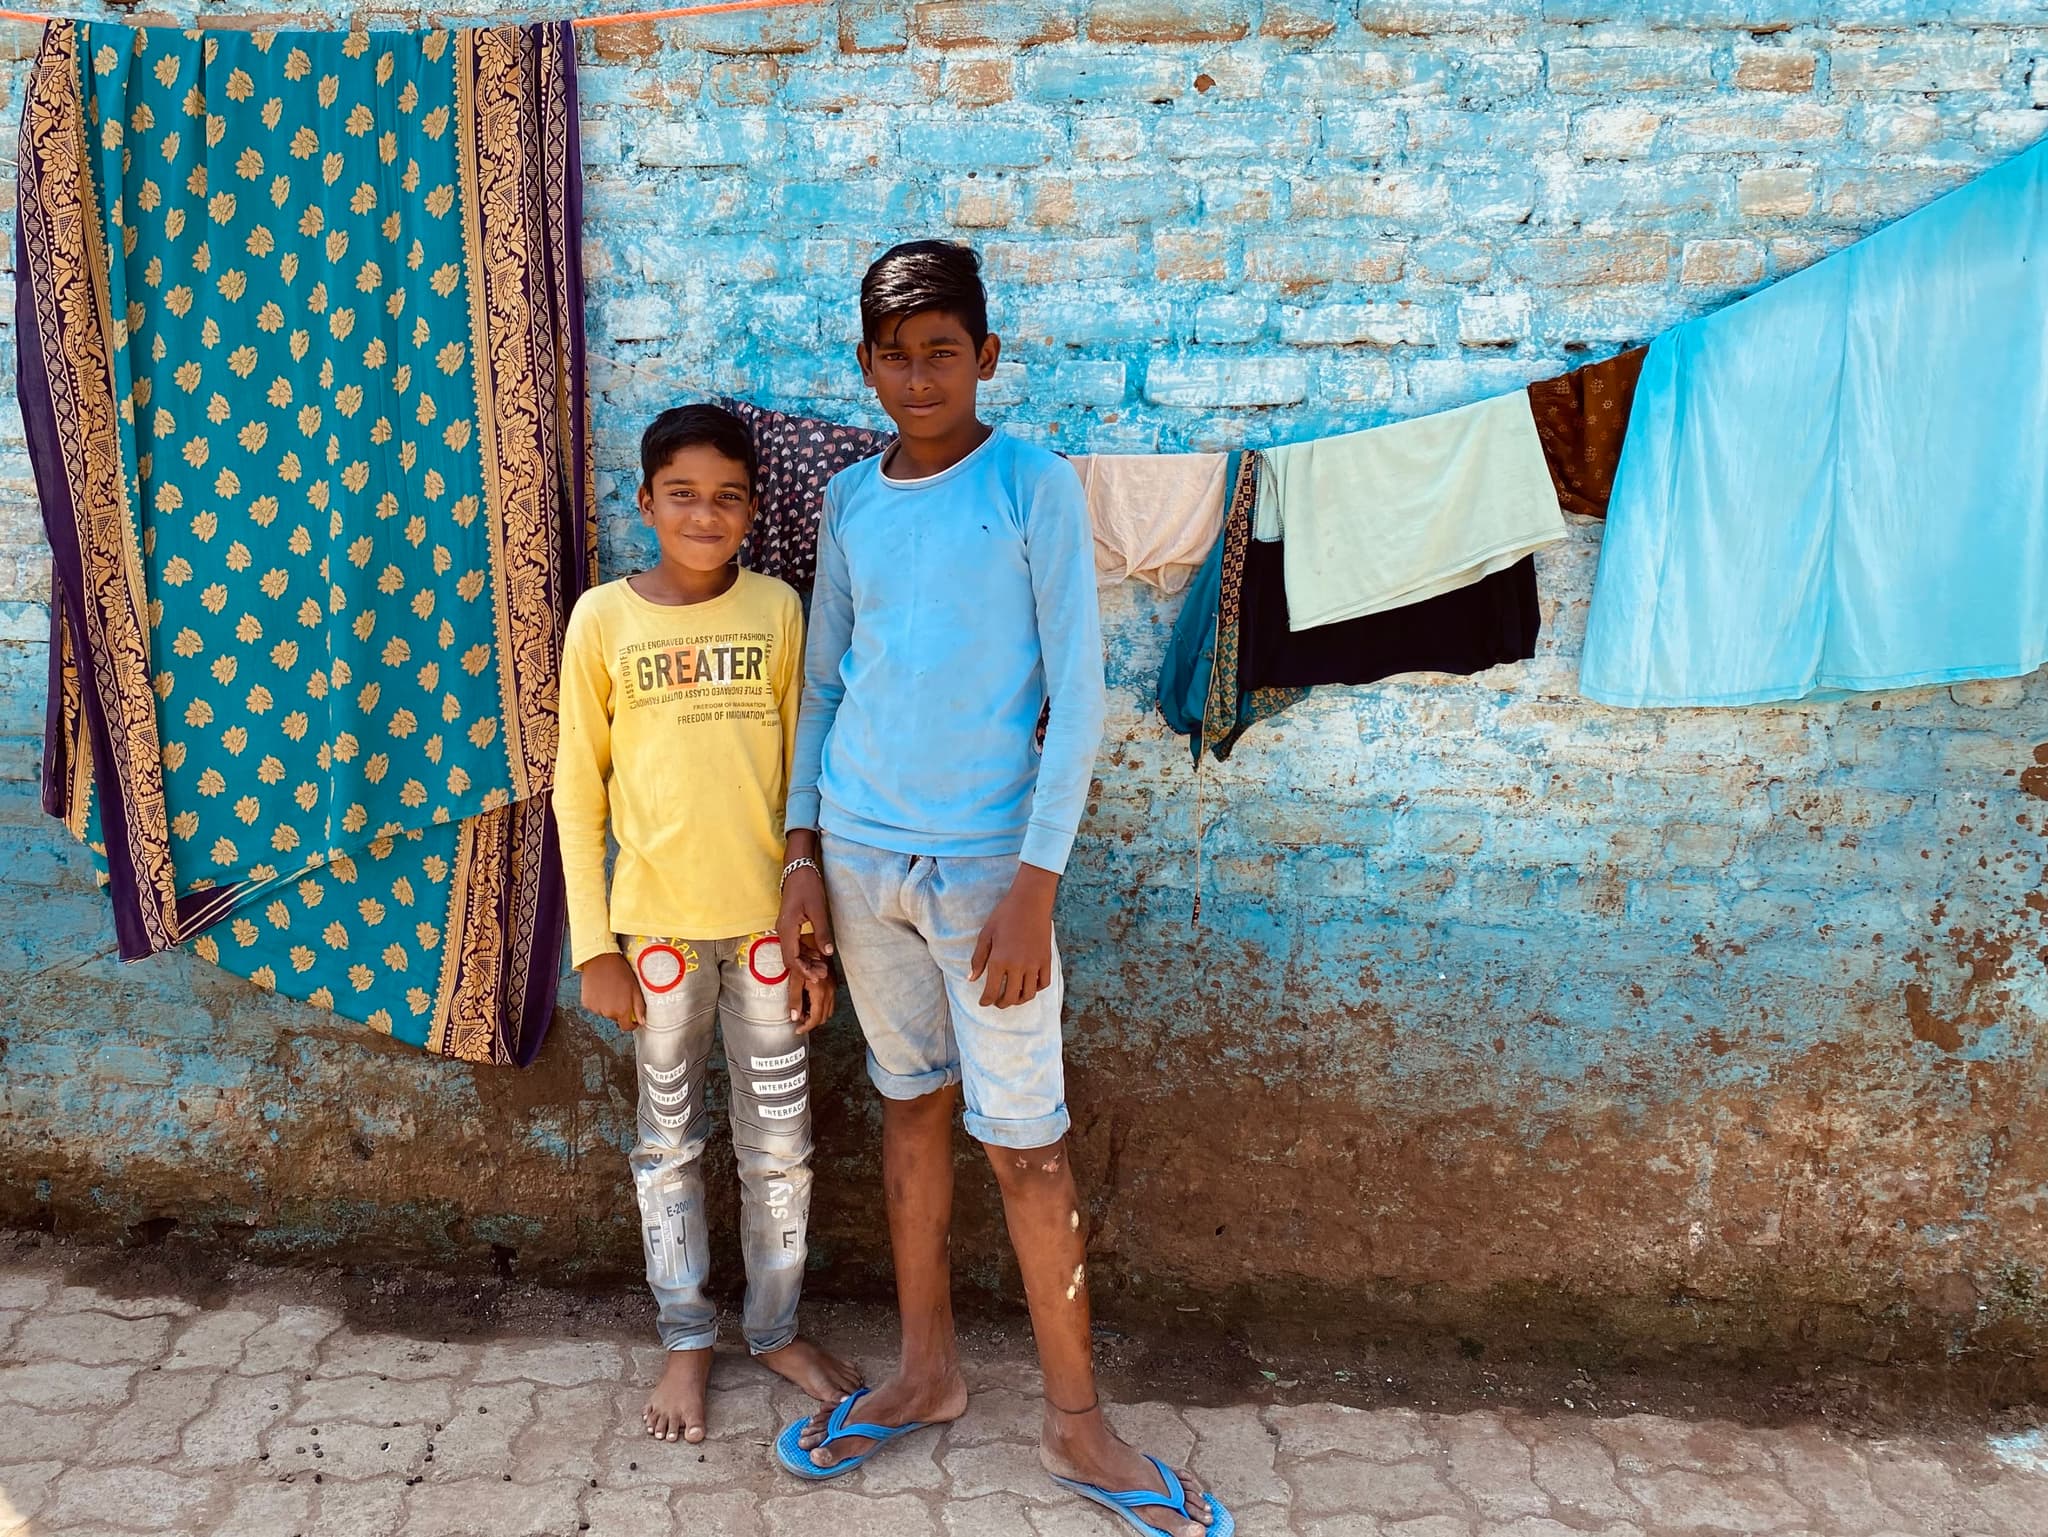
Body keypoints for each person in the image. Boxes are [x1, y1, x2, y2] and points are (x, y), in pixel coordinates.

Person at [772, 242, 1228, 1537]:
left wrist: (1036, 882)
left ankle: (1079, 1426)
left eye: (942, 350)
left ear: (987, 355)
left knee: (1026, 1144)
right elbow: (823, 684)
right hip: (863, 859)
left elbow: (1077, 699)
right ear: (863, 365)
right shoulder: (853, 502)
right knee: (911, 1110)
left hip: (988, 876)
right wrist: (802, 853)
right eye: (893, 354)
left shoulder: (1032, 486)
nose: (918, 376)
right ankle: (926, 1374)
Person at [554, 404, 861, 1445]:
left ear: (752, 512)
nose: (704, 513)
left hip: (769, 931)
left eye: (727, 496)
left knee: (780, 1145)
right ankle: (687, 1336)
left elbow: (799, 772)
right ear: (643, 502)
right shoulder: (603, 619)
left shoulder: (778, 609)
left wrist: (812, 921)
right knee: (666, 1144)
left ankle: (772, 1329)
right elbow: (575, 794)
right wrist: (594, 944)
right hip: (659, 943)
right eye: (681, 494)